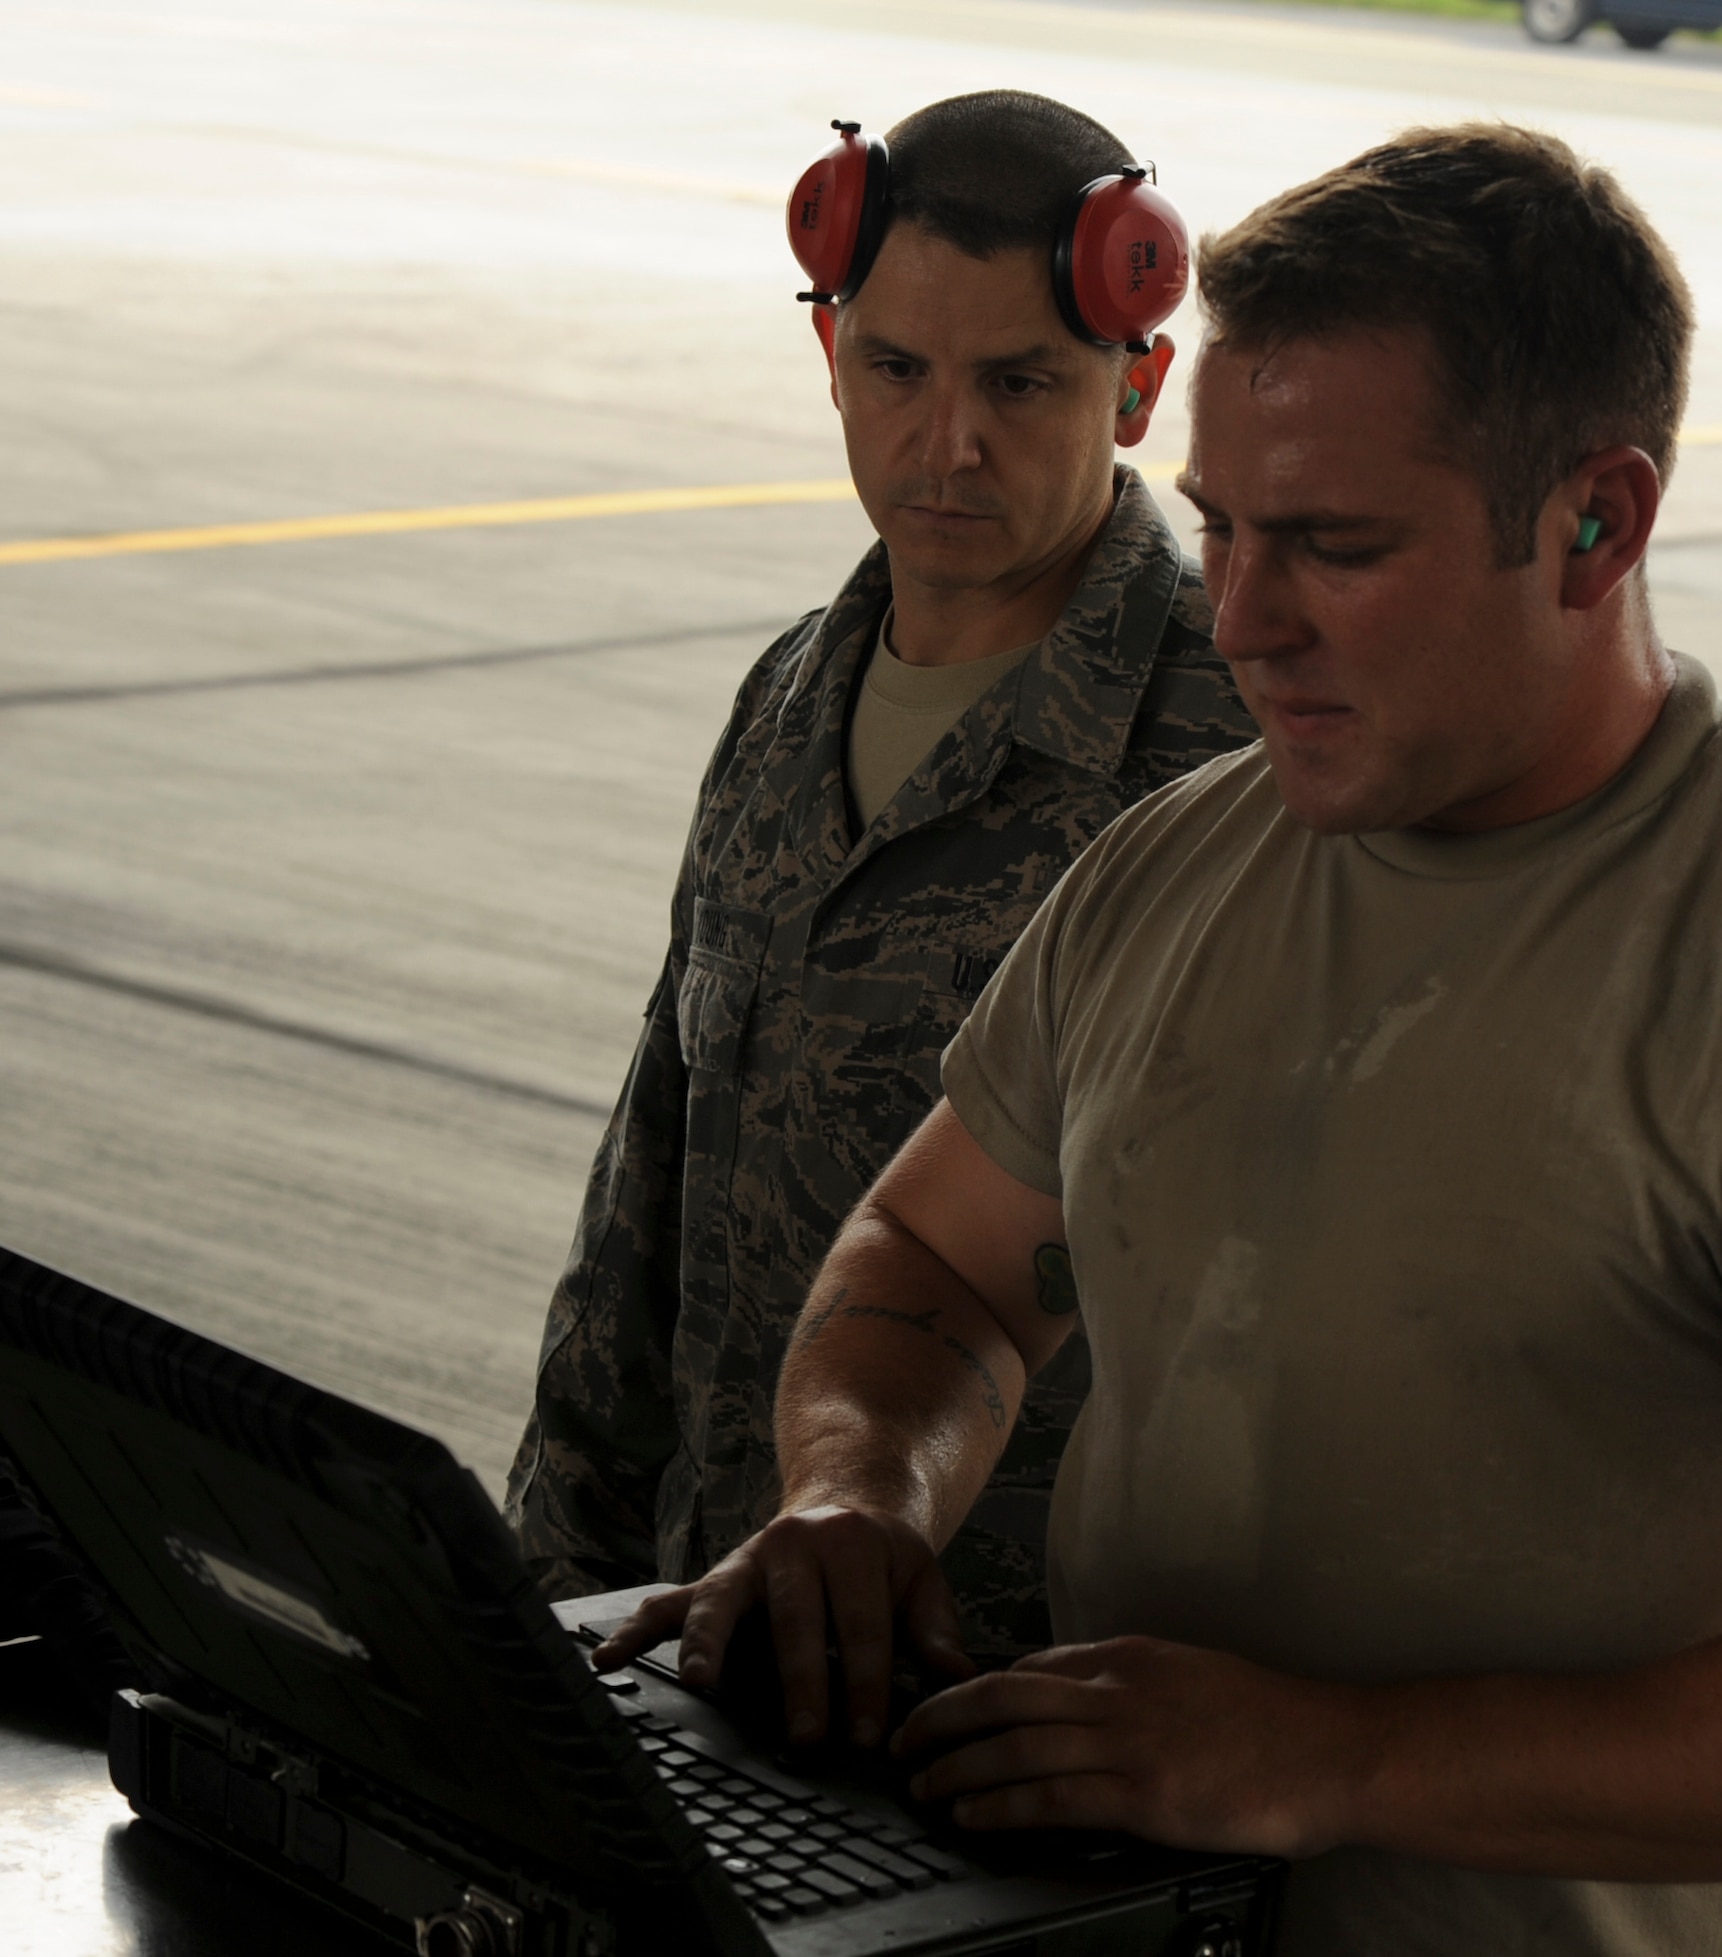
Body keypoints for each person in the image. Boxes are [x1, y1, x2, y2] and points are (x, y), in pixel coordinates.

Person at [593, 124, 1722, 1954]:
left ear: (1599, 522)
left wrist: (1341, 1761)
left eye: (1333, 547)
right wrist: (862, 1489)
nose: (1241, 621)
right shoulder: (1181, 863)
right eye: (1224, 529)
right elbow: (936, 1258)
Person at [504, 91, 1254, 1660]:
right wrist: (548, 1607)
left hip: (1019, 1705)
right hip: (712, 1642)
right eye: (896, 370)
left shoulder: (1227, 758)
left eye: (1020, 383)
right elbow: (648, 1201)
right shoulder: (792, 697)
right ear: (830, 355)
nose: (947, 441)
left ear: (1138, 392)